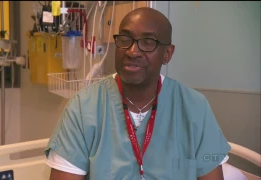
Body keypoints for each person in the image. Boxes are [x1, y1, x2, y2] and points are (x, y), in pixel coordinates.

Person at [45, 7, 231, 180]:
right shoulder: (83, 108)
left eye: (148, 42)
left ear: (167, 54)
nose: (133, 51)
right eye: (125, 40)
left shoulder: (194, 108)